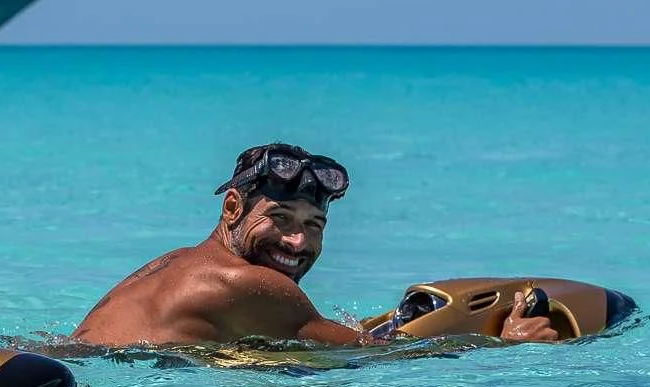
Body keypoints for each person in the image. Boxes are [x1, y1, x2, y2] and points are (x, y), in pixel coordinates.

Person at [71, 143, 559, 348]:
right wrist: (502, 344)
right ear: (233, 208)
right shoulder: (250, 284)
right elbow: (375, 360)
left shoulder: (175, 263)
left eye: (315, 224)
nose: (297, 241)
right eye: (280, 219)